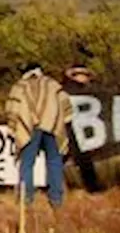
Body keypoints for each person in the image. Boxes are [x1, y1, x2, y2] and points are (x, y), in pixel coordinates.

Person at [6, 62, 74, 208]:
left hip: (30, 128)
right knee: (54, 162)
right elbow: (67, 108)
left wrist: (13, 128)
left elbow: (13, 109)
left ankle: (26, 199)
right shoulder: (53, 85)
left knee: (27, 162)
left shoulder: (20, 86)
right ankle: (56, 199)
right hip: (52, 126)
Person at [60, 64, 102, 192]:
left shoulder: (86, 92)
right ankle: (92, 188)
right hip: (71, 130)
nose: (84, 78)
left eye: (86, 75)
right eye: (81, 75)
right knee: (82, 160)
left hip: (78, 130)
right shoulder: (69, 91)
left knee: (79, 159)